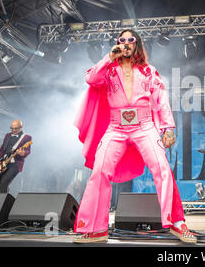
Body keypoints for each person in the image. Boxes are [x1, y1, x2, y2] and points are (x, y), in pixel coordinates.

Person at [73, 29, 196, 243]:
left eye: (131, 40)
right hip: (116, 127)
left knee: (163, 168)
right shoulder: (108, 69)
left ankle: (177, 222)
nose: (127, 43)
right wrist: (109, 57)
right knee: (100, 171)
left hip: (144, 126)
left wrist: (168, 127)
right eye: (123, 40)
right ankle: (96, 228)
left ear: (137, 44)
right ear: (118, 43)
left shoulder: (149, 71)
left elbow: (161, 99)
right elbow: (91, 79)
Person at [0, 119, 32, 193]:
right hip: (4, 162)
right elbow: (2, 149)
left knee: (4, 183)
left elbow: (28, 151)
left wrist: (22, 153)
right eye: (12, 128)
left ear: (21, 127)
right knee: (0, 183)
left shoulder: (26, 137)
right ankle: (4, 200)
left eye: (16, 128)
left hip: (15, 164)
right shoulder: (7, 135)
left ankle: (2, 202)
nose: (13, 130)